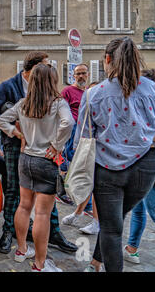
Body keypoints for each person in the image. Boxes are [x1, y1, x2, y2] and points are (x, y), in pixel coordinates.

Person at [76, 37, 155, 272]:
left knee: (112, 229)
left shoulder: (93, 94)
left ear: (108, 59)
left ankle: (99, 265)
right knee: (117, 218)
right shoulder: (152, 88)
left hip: (107, 169)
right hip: (145, 167)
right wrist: (142, 136)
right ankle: (94, 263)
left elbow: (83, 138)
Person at [0, 51, 78, 254]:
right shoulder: (8, 86)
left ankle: (54, 233)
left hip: (42, 151)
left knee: (47, 198)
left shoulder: (46, 92)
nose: (48, 68)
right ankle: (8, 231)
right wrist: (16, 132)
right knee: (13, 191)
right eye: (45, 65)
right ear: (34, 68)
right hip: (15, 146)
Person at [124, 68, 155, 264]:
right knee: (139, 210)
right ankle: (132, 248)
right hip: (139, 164)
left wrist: (142, 135)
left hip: (152, 166)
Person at [60, 65, 99, 235]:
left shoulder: (92, 92)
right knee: (81, 175)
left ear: (88, 74)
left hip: (92, 140)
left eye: (84, 73)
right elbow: (61, 114)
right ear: (73, 75)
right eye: (78, 74)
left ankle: (89, 215)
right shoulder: (68, 91)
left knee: (90, 178)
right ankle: (80, 210)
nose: (81, 76)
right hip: (75, 137)